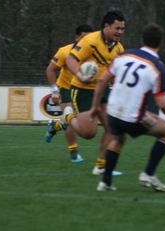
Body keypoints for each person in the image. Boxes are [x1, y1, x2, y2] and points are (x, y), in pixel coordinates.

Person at [90, 23, 165, 192]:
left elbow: (103, 81)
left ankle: (105, 182)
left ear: (142, 40)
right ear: (160, 43)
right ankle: (148, 174)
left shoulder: (122, 56)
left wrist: (95, 107)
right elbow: (162, 103)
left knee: (118, 140)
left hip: (112, 114)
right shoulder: (157, 67)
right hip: (134, 118)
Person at [51, 10, 125, 175]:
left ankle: (101, 166)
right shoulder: (90, 41)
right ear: (106, 26)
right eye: (117, 28)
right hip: (82, 90)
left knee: (112, 128)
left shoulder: (119, 48)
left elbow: (115, 71)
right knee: (89, 133)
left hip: (103, 90)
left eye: (122, 29)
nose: (120, 32)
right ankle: (68, 116)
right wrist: (80, 75)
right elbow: (71, 59)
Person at [45, 24, 93, 163]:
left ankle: (55, 126)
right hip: (66, 89)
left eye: (90, 38)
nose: (87, 40)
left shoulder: (93, 53)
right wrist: (55, 92)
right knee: (70, 117)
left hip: (83, 90)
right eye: (84, 37)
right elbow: (50, 70)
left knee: (81, 123)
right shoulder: (65, 51)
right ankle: (74, 152)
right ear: (77, 37)